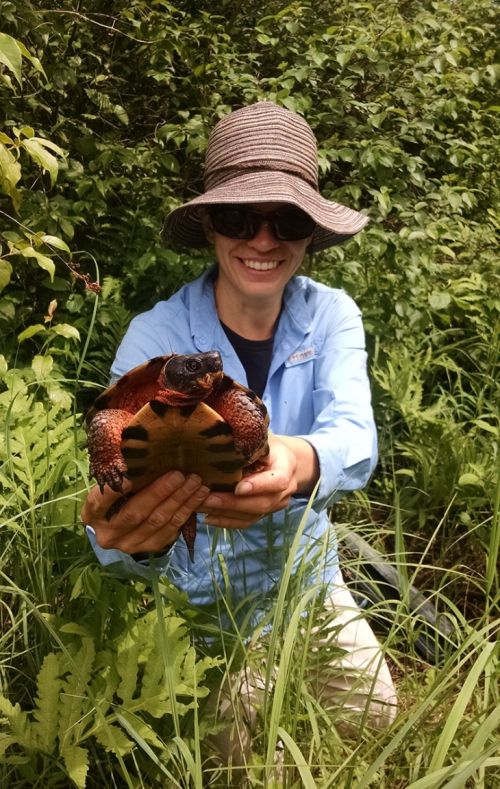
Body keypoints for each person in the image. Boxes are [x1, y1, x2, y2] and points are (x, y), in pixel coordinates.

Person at [81, 101, 397, 768]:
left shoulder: (330, 315)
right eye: (236, 217)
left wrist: (297, 456)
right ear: (207, 226)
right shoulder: (156, 338)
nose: (262, 239)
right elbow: (110, 480)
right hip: (204, 600)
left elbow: (355, 437)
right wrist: (119, 528)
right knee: (241, 761)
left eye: (286, 219)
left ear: (310, 230)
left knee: (378, 720)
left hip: (308, 577)